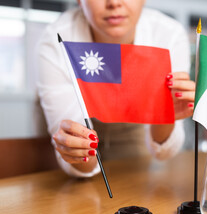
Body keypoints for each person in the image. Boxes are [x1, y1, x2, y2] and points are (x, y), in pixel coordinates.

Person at [36, 0, 195, 177]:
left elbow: (163, 152)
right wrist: (75, 151)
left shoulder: (168, 35)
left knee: (132, 179)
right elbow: (74, 155)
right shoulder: (56, 37)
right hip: (75, 119)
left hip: (135, 127)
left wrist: (165, 113)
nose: (114, 2)